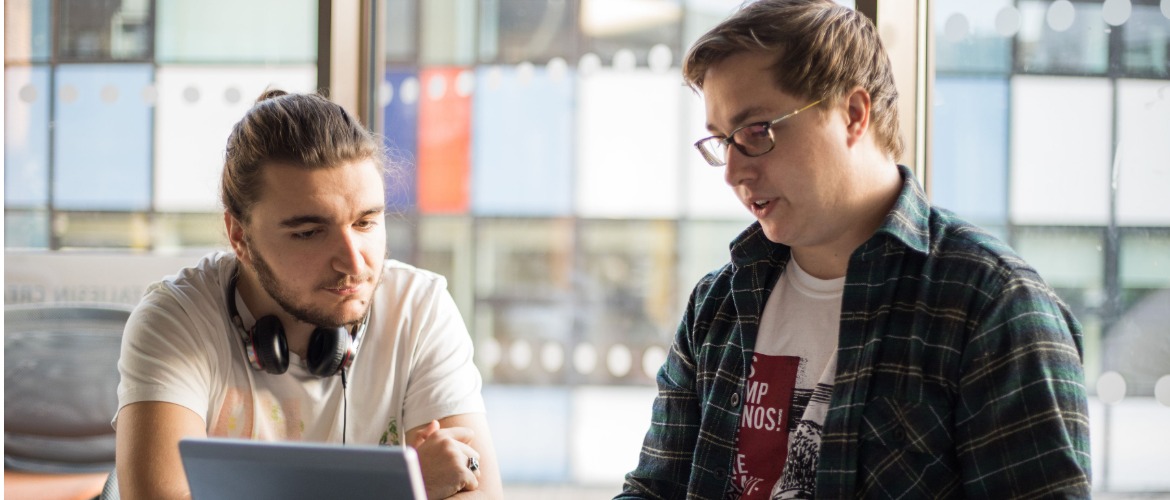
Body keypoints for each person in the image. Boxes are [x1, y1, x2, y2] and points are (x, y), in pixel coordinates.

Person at [617, 1, 1091, 498]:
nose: (734, 172)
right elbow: (656, 489)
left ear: (853, 114)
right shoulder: (717, 304)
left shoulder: (994, 304)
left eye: (757, 131)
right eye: (722, 142)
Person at [113, 90, 503, 500]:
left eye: (366, 222)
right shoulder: (176, 320)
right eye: (309, 233)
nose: (354, 263)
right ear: (239, 236)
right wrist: (400, 491)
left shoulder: (419, 309)